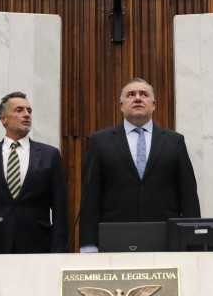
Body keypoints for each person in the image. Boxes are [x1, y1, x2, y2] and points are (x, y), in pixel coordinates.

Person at [78, 78, 200, 251]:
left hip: (165, 238)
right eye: (131, 95)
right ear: (121, 105)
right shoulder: (101, 141)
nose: (137, 98)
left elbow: (188, 196)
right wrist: (88, 245)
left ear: (153, 104)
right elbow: (90, 198)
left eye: (144, 94)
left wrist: (192, 241)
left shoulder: (174, 141)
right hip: (115, 237)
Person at [0, 92, 69, 253]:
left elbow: (60, 209)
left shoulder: (50, 154)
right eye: (19, 110)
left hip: (38, 245)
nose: (27, 115)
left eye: (29, 111)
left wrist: (58, 249)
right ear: (3, 119)